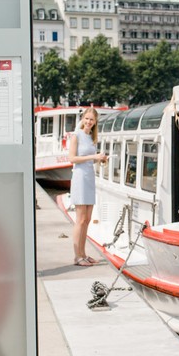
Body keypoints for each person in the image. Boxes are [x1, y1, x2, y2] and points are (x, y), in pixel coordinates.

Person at [68, 107, 107, 267]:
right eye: (87, 118)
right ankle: (77, 257)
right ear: (83, 118)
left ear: (95, 121)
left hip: (89, 177)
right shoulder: (76, 136)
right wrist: (93, 156)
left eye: (92, 119)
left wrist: (100, 159)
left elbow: (90, 159)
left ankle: (84, 254)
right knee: (80, 219)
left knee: (88, 219)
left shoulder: (92, 137)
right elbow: (72, 158)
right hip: (79, 178)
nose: (89, 122)